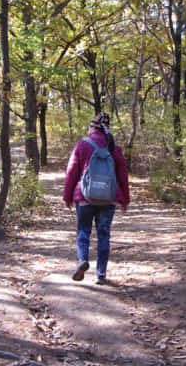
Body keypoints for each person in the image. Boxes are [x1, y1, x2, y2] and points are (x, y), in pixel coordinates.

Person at [63, 112, 130, 285]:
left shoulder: (82, 145)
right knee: (103, 235)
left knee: (83, 230)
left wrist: (67, 196)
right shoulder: (114, 147)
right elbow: (123, 174)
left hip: (85, 196)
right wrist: (125, 199)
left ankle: (82, 260)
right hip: (109, 198)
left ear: (92, 127)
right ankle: (101, 274)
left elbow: (71, 172)